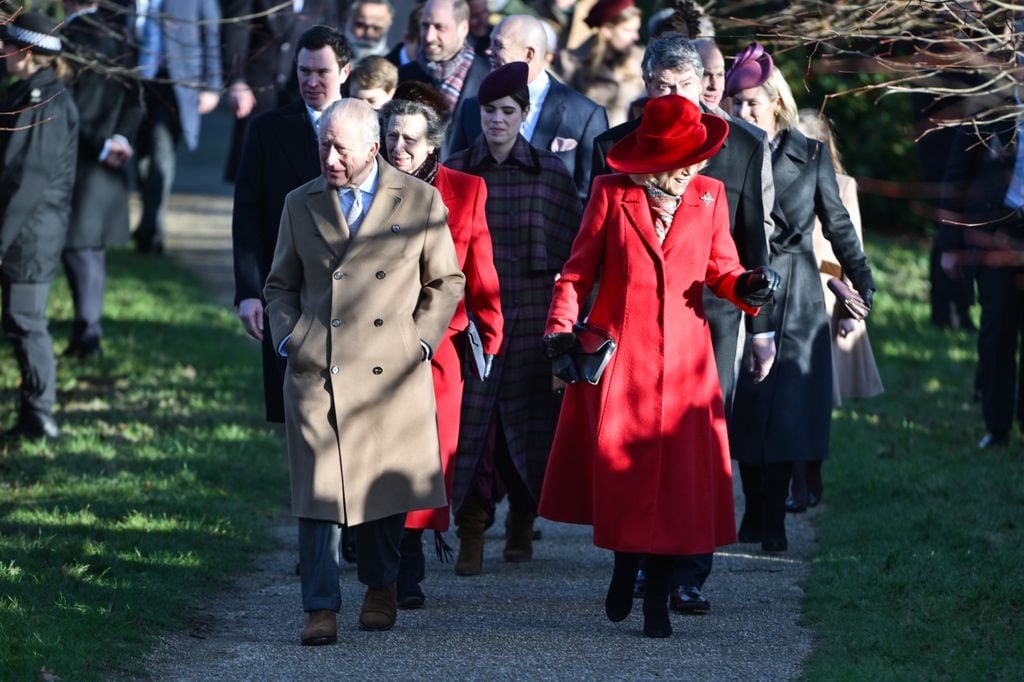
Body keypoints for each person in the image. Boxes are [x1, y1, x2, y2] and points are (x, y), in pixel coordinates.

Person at [538, 95, 780, 639]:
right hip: (622, 357)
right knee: (626, 480)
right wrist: (559, 329)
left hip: (687, 365)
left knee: (676, 487)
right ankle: (626, 570)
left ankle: (659, 602)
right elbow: (576, 273)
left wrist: (750, 287)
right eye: (675, 167)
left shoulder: (710, 195)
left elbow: (723, 270)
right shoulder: (610, 193)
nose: (686, 176)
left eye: (693, 164)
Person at [263, 98, 465, 645]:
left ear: (374, 148)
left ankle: (381, 585)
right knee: (317, 491)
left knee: (383, 489)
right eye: (323, 144)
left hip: (389, 371)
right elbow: (279, 283)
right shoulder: (299, 202)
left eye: (341, 149)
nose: (329, 157)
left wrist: (418, 342)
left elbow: (445, 282)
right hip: (316, 369)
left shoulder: (418, 200)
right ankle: (320, 605)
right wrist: (291, 337)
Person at [592, 32, 776, 614]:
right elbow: (595, 247)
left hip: (712, 321)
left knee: (693, 456)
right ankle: (643, 566)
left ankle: (688, 574)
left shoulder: (742, 146)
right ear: (648, 87)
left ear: (704, 85)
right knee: (641, 448)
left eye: (685, 85)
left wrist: (761, 319)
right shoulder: (614, 149)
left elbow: (750, 242)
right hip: (636, 325)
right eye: (662, 86)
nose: (674, 94)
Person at [726, 44, 876, 552]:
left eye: (752, 103)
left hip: (797, 287)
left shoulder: (808, 154)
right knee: (747, 403)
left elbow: (836, 225)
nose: (743, 112)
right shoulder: (722, 152)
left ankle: (774, 517)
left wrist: (862, 279)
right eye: (736, 102)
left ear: (776, 103)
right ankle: (754, 511)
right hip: (738, 283)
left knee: (786, 408)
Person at [446, 62, 582, 576]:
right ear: (477, 113)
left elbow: (574, 256)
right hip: (475, 316)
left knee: (529, 427)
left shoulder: (549, 173)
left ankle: (523, 521)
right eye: (489, 111)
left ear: (525, 115)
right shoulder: (457, 170)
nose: (497, 120)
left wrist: (566, 329)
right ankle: (472, 531)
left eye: (508, 111)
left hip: (532, 317)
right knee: (474, 429)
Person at [380, 87, 504, 608]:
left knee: (432, 456)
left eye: (411, 139)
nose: (400, 148)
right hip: (377, 345)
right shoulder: (368, 187)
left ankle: (409, 554)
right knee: (381, 452)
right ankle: (383, 556)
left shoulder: (466, 188)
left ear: (433, 145)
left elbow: (479, 264)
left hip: (439, 347)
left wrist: (491, 328)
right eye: (391, 137)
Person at [233, 25, 352, 425]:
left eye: (322, 72)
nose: (312, 81)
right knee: (298, 407)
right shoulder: (268, 129)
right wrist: (249, 291)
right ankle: (303, 488)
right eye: (304, 71)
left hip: (353, 289)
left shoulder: (371, 127)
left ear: (345, 73)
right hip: (289, 287)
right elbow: (247, 213)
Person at [787, 109, 884, 511]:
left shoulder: (842, 185)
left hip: (829, 294)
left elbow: (850, 241)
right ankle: (794, 481)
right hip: (790, 289)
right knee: (789, 391)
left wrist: (849, 307)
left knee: (817, 392)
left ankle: (812, 474)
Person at [0, 11, 80, 439]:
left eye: (9, 44)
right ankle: (33, 412)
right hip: (25, 233)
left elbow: (24, 181)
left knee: (26, 318)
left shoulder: (42, 102)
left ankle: (40, 415)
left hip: (29, 235)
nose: (2, 50)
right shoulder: (30, 94)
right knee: (20, 318)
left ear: (29, 52)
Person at [449, 14, 609, 200]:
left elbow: (590, 194)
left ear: (528, 55)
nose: (488, 51)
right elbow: (454, 179)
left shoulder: (585, 115)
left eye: (498, 45)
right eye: (490, 43)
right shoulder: (472, 107)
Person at [62, 0, 144, 359]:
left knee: (79, 247)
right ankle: (88, 331)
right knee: (90, 248)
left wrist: (101, 146)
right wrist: (121, 140)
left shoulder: (68, 37)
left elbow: (66, 105)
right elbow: (136, 98)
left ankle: (88, 333)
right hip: (109, 155)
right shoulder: (122, 36)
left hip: (80, 157)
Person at [132, 0, 222, 253]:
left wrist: (213, 86)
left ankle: (152, 231)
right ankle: (147, 219)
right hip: (136, 82)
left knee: (161, 152)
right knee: (141, 155)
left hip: (175, 84)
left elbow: (212, 34)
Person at [220, 0, 340, 182]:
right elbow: (237, 34)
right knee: (252, 171)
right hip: (257, 93)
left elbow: (330, 40)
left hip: (300, 94)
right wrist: (236, 81)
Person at [397, 0, 490, 155]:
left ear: (463, 28)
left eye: (440, 27)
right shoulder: (404, 76)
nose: (429, 37)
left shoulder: (488, 78)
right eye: (425, 26)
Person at [553, 0, 644, 127]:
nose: (636, 37)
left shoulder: (642, 62)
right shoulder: (570, 62)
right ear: (607, 29)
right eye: (627, 30)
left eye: (636, 30)